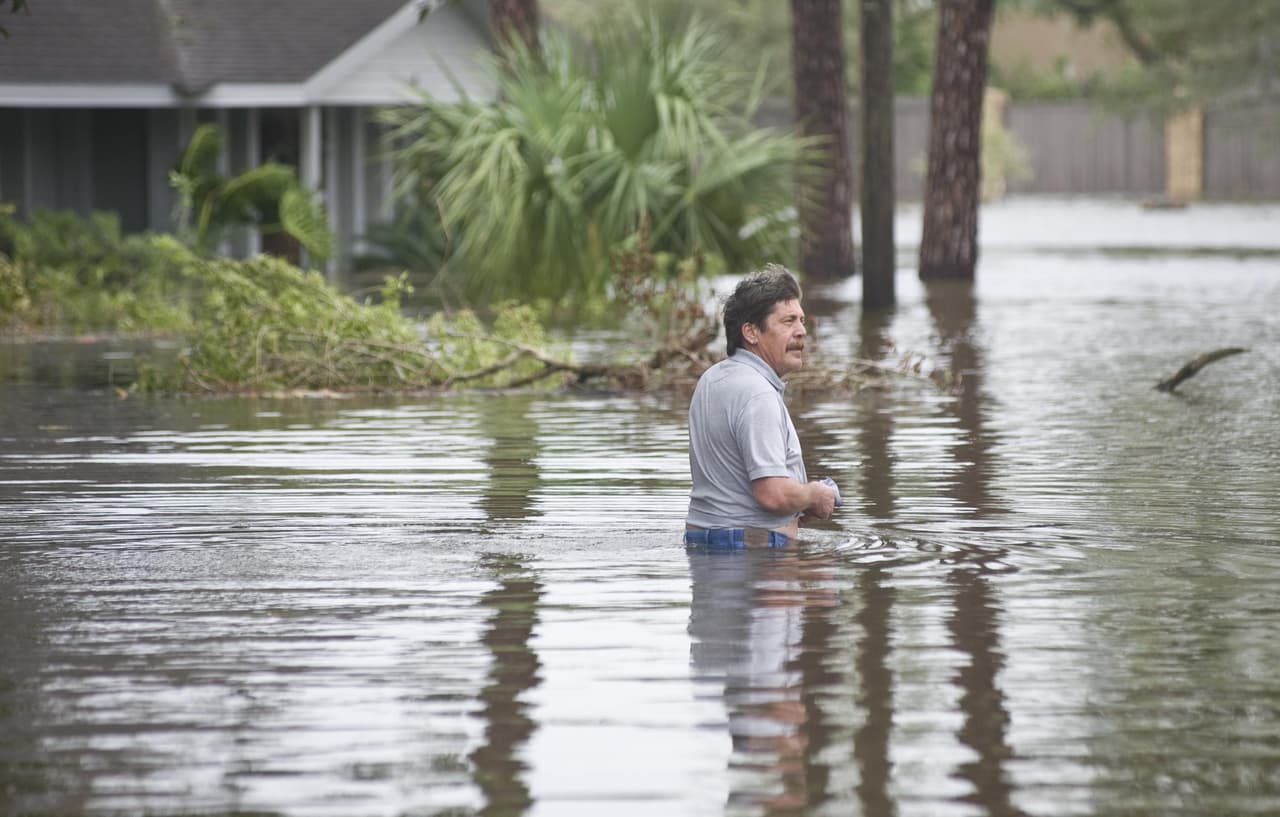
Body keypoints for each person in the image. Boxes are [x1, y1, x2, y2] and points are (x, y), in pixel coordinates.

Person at [684, 265, 839, 548]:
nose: (802, 331)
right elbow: (772, 494)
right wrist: (815, 494)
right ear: (751, 332)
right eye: (788, 321)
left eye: (802, 320)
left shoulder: (711, 379)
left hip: (702, 544)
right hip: (755, 555)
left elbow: (731, 486)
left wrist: (797, 506)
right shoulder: (758, 394)